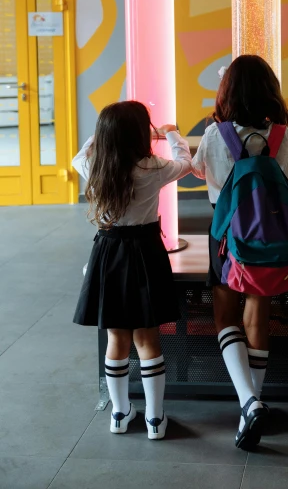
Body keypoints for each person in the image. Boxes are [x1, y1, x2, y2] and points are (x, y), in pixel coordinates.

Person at [191, 55, 288, 449]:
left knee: (225, 314)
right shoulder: (282, 135)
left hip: (226, 237)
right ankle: (254, 401)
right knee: (259, 311)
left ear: (227, 92)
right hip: (270, 234)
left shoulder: (213, 135)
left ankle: (248, 401)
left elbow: (200, 171)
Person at [72, 101, 191, 440]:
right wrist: (171, 133)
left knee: (116, 337)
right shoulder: (153, 167)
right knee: (147, 337)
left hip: (109, 253)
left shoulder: (95, 165)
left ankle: (120, 414)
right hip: (145, 253)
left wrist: (98, 138)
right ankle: (155, 419)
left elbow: (78, 156)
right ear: (142, 133)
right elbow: (186, 163)